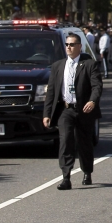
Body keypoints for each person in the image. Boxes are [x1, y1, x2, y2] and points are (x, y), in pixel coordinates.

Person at [43, 33, 103, 189]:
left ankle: (87, 171)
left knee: (85, 142)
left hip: (84, 110)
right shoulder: (58, 66)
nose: (68, 47)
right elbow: (51, 92)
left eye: (72, 44)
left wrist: (92, 101)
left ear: (79, 46)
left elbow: (97, 86)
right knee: (66, 141)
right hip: (66, 109)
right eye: (67, 44)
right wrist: (47, 114)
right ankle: (66, 177)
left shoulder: (89, 64)